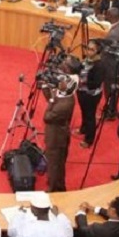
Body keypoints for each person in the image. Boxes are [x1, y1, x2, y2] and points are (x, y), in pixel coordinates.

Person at [43, 62, 79, 192]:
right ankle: (55, 183)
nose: (60, 82)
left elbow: (47, 117)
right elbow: (51, 98)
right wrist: (45, 85)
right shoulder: (64, 95)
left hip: (57, 138)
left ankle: (54, 189)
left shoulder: (65, 104)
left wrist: (51, 101)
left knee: (55, 165)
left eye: (63, 82)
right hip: (56, 135)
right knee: (55, 164)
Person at [8, 194, 73, 237]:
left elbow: (11, 232)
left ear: (33, 210)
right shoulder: (61, 226)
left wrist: (19, 214)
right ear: (49, 209)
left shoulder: (27, 227)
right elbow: (69, 231)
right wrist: (58, 214)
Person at [76, 39, 105, 148]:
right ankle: (83, 129)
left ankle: (89, 140)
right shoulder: (86, 59)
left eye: (92, 50)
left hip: (92, 95)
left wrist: (83, 81)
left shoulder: (100, 65)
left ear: (98, 52)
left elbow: (96, 83)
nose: (88, 51)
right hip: (82, 91)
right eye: (87, 48)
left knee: (90, 116)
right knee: (83, 112)